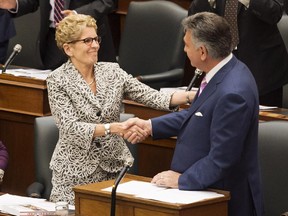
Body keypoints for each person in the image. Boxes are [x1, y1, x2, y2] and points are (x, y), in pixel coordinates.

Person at [46, 14, 195, 205]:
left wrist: (193, 96)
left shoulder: (112, 71)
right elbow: (70, 128)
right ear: (68, 48)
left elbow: (153, 96)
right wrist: (112, 128)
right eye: (87, 41)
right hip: (74, 174)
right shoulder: (57, 80)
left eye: (96, 39)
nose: (95, 45)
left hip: (113, 168)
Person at [124, 12, 263, 216]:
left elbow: (222, 159)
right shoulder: (222, 72)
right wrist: (151, 125)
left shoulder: (233, 92)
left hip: (223, 202)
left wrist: (182, 180)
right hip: (203, 195)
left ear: (203, 51)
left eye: (187, 45)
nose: (184, 50)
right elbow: (199, 114)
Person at [188, 0, 288, 107]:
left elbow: (275, 13)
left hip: (262, 70)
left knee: (262, 121)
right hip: (220, 64)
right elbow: (192, 20)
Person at [0, 0, 116, 70]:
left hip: (86, 39)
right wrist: (14, 3)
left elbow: (107, 2)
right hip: (53, 40)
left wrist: (76, 15)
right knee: (53, 92)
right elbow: (34, 1)